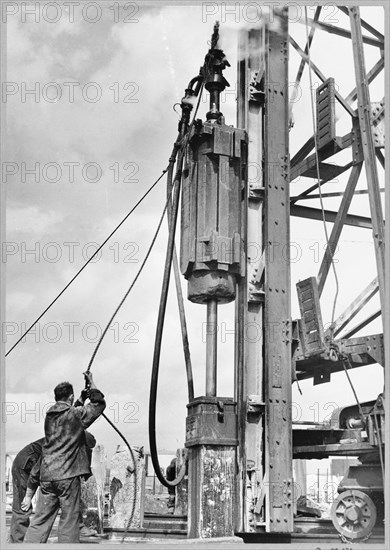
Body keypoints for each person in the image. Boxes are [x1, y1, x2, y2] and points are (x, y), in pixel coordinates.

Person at [23, 372, 106, 544]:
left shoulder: (50, 417)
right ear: (71, 396)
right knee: (69, 522)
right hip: (67, 478)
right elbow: (98, 404)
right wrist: (91, 384)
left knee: (39, 522)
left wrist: (80, 401)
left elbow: (69, 416)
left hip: (47, 477)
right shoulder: (74, 416)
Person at [9, 438, 44, 542]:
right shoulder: (59, 442)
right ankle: (17, 542)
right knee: (23, 506)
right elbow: (35, 472)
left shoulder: (68, 437)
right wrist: (28, 496)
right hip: (24, 466)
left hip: (31, 462)